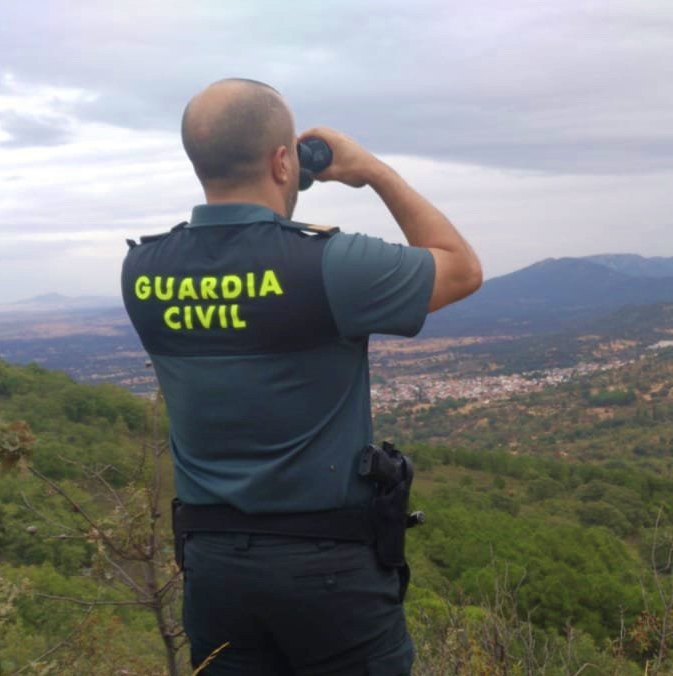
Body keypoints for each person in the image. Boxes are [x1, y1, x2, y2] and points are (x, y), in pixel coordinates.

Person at [120, 78, 482, 676]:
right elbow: (461, 268)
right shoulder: (327, 265)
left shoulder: (142, 271)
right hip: (330, 570)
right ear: (284, 160)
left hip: (213, 573)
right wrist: (373, 172)